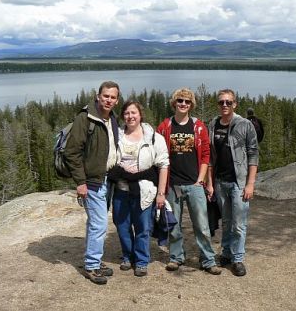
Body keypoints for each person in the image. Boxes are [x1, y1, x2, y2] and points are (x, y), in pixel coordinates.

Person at [157, 88, 221, 275]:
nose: (183, 104)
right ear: (174, 102)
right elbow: (159, 155)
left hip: (194, 184)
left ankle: (208, 260)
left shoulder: (198, 126)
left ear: (191, 105)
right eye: (180, 100)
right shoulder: (165, 126)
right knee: (174, 224)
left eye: (187, 101)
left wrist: (201, 180)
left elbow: (206, 156)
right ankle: (176, 257)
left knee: (201, 225)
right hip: (172, 184)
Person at [64, 81, 120, 285]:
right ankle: (91, 266)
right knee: (99, 224)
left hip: (106, 179)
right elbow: (72, 152)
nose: (109, 100)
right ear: (98, 96)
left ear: (117, 100)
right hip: (91, 181)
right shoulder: (85, 118)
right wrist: (80, 182)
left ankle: (94, 260)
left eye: (113, 97)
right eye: (106, 96)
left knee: (95, 223)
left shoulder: (112, 118)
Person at [110, 101, 169, 277]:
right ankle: (128, 256)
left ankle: (142, 260)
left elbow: (163, 165)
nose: (130, 116)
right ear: (123, 116)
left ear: (140, 115)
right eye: (127, 113)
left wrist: (161, 193)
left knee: (143, 227)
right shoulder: (116, 136)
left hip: (145, 190)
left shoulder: (154, 137)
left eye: (133, 112)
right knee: (122, 225)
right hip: (121, 189)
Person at [206, 89, 259, 277]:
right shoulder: (213, 124)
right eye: (221, 102)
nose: (225, 105)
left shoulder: (245, 125)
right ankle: (226, 253)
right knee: (227, 221)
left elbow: (253, 155)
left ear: (235, 104)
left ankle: (238, 258)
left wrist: (250, 184)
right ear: (218, 105)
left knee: (239, 223)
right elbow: (210, 157)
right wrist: (210, 183)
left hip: (239, 182)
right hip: (220, 182)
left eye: (228, 102)